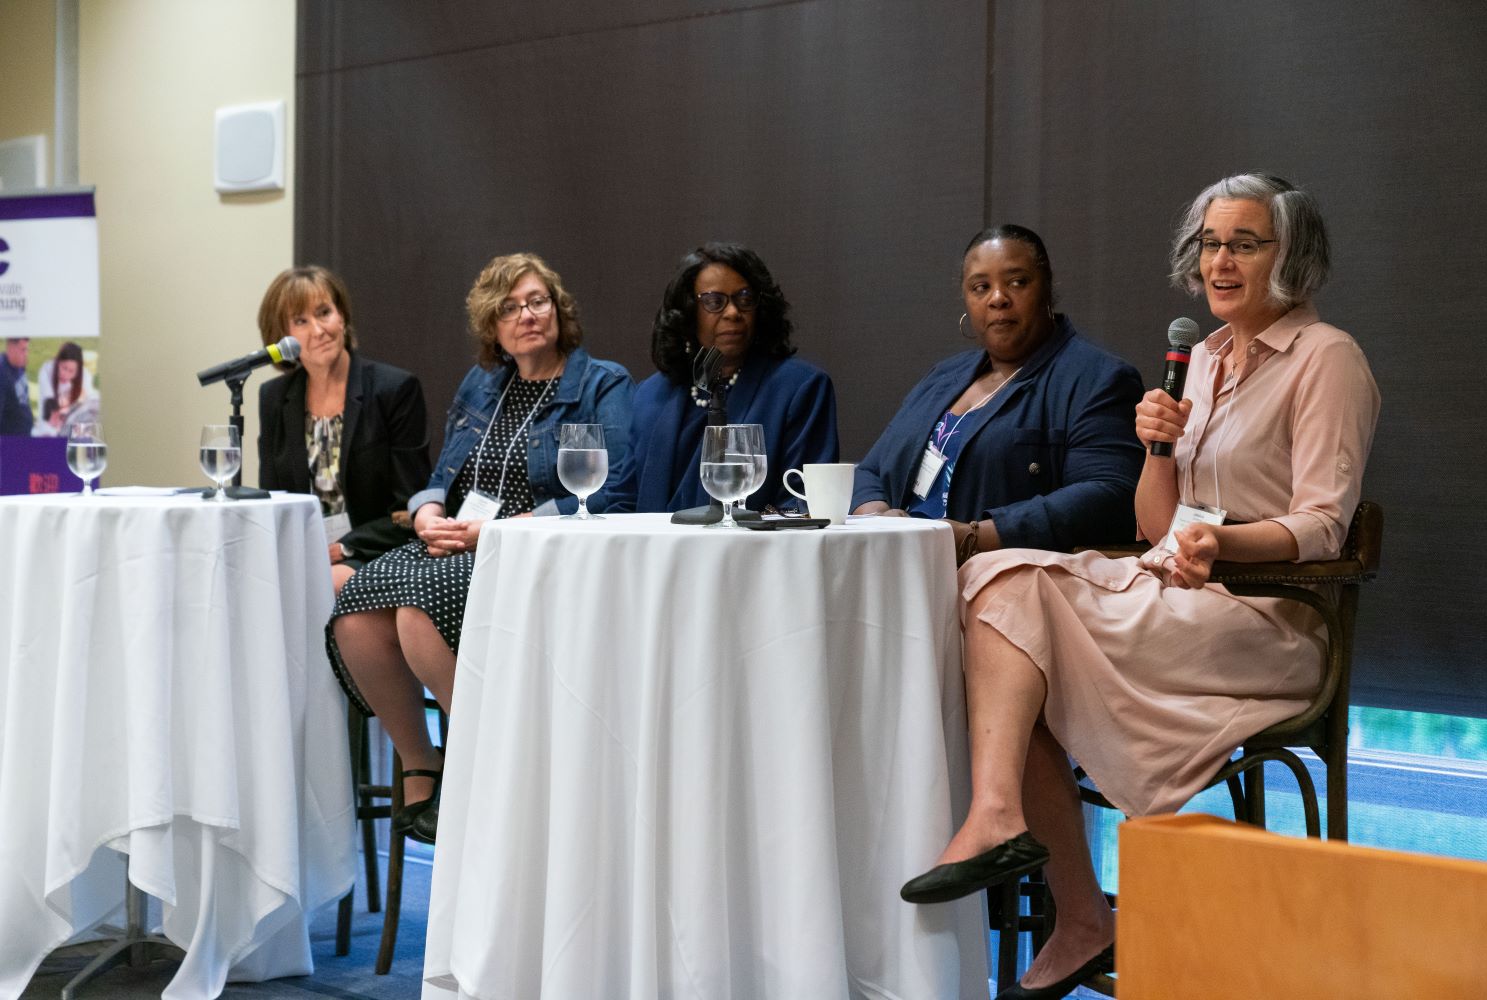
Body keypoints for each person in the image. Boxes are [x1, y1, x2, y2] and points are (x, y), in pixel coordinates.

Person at [898, 174, 1380, 1000]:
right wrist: (1157, 447)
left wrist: (1219, 542)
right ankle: (1031, 855)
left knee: (1014, 611)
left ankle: (1051, 885)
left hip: (1272, 622)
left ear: (1289, 256)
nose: (1219, 261)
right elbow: (1157, 525)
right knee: (994, 588)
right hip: (1176, 594)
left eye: (1243, 243)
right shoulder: (1201, 357)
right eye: (1208, 244)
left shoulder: (1326, 358)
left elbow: (1322, 526)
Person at [329, 253, 634, 844]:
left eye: (537, 301)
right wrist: (428, 513)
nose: (526, 315)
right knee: (357, 609)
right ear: (491, 326)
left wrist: (503, 529)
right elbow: (441, 474)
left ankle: (479, 766)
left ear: (558, 308)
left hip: (537, 551)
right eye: (510, 308)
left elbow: (613, 493)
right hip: (464, 543)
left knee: (419, 607)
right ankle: (422, 766)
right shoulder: (483, 384)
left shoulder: (602, 382)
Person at [853, 225, 1142, 554]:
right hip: (903, 564)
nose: (998, 299)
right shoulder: (942, 377)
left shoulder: (1097, 378)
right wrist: (878, 522)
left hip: (997, 577)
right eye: (980, 287)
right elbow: (870, 471)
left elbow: (1110, 494)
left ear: (1047, 288)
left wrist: (974, 537)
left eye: (1017, 282)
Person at [256, 266, 432, 593]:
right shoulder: (274, 398)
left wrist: (344, 548)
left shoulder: (393, 390)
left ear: (343, 317)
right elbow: (272, 499)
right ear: (281, 338)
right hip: (303, 552)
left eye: (325, 313)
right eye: (301, 321)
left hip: (373, 550)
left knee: (322, 585)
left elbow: (409, 506)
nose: (319, 329)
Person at [626, 242, 838, 512]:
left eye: (745, 299)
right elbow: (622, 501)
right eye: (715, 302)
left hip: (755, 551)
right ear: (689, 312)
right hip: (654, 552)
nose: (733, 312)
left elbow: (801, 503)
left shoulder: (799, 387)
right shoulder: (650, 395)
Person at [35, 341, 96, 435]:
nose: (65, 374)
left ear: (78, 371)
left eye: (71, 371)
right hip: (50, 422)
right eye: (64, 368)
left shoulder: (85, 376)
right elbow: (48, 403)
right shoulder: (47, 369)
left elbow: (89, 404)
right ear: (58, 362)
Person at [0, 338, 31, 437]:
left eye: (27, 349)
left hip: (25, 435)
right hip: (11, 442)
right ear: (10, 347)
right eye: (23, 350)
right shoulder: (2, 375)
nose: (26, 354)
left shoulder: (19, 365)